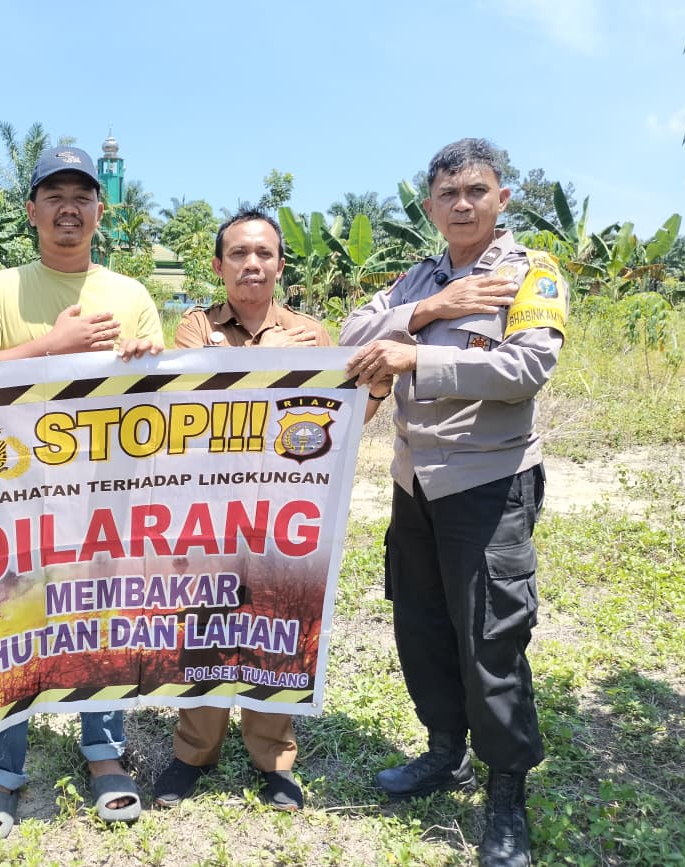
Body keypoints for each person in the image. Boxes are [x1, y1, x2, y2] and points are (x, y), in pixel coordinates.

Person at [340, 138, 568, 867]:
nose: (462, 204)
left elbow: (525, 366)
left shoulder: (531, 272)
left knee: (491, 640)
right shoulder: (418, 277)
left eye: (476, 190)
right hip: (415, 484)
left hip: (488, 483)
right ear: (431, 206)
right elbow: (351, 337)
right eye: (448, 194)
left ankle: (507, 796)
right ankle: (446, 750)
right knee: (424, 625)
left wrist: (416, 355)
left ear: (502, 197)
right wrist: (429, 310)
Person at [0, 146, 164, 842]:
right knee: (7, 617)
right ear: (32, 211)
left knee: (100, 616)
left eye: (83, 195)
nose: (69, 207)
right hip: (10, 496)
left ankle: (103, 748)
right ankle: (2, 766)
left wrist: (142, 366)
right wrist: (58, 343)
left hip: (104, 498)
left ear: (101, 211)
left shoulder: (132, 294)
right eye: (54, 195)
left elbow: (164, 400)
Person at [153, 208, 391, 812]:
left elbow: (339, 423)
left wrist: (378, 391)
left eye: (263, 254)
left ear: (280, 264)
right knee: (205, 628)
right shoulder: (192, 328)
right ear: (218, 265)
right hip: (206, 512)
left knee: (277, 629)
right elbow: (185, 414)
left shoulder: (313, 336)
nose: (251, 264)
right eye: (238, 254)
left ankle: (274, 758)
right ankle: (192, 754)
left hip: (285, 512)